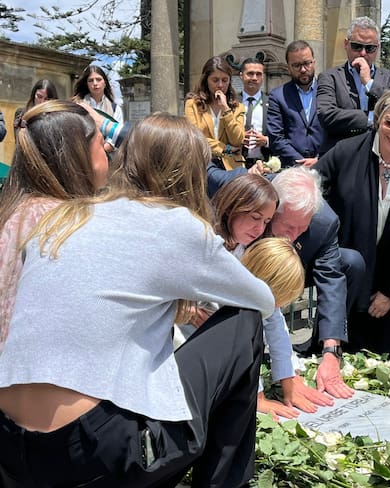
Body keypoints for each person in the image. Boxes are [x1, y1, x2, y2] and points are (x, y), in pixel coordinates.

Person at [0, 113, 276, 487]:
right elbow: (263, 298)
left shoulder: (65, 217)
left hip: (11, 449)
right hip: (89, 452)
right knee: (245, 321)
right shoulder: (177, 226)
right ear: (193, 174)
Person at [207, 165, 359, 399]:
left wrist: (297, 370)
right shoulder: (238, 207)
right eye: (287, 226)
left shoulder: (324, 222)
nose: (292, 236)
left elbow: (275, 313)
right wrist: (254, 395)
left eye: (302, 228)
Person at [315, 83, 390, 355]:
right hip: (343, 287)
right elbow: (308, 193)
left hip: (389, 298)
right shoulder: (345, 152)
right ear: (380, 116)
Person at [0, 100, 107, 354]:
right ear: (80, 156)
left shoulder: (19, 209)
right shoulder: (68, 224)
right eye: (101, 143)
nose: (107, 152)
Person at [316, 16, 390, 155]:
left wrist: (369, 83)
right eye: (357, 46)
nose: (363, 53)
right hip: (340, 156)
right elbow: (326, 115)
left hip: (380, 156)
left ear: (378, 48)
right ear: (346, 44)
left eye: (370, 48)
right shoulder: (329, 77)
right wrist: (373, 118)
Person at [267, 40, 323, 168]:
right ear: (288, 68)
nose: (303, 69)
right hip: (293, 169)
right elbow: (276, 137)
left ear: (314, 62)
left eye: (307, 63)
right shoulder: (278, 96)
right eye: (297, 65)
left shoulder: (329, 91)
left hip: (325, 165)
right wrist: (301, 162)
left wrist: (320, 159)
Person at [185, 55, 246, 170]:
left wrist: (226, 109)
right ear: (206, 80)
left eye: (225, 80)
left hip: (231, 167)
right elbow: (195, 138)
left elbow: (237, 140)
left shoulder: (238, 107)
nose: (220, 85)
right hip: (202, 165)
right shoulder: (192, 104)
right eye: (215, 80)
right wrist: (225, 148)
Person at [72, 65, 123, 152]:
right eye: (91, 80)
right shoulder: (78, 106)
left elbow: (118, 134)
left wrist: (103, 149)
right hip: (82, 152)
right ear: (86, 84)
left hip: (107, 155)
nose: (95, 83)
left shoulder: (115, 108)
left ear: (105, 82)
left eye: (98, 79)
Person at [240, 57, 271, 168]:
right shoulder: (231, 102)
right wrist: (237, 139)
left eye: (258, 74)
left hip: (264, 165)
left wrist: (266, 141)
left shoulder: (272, 103)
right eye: (250, 74)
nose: (254, 78)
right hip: (237, 164)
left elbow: (281, 135)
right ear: (241, 76)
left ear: (263, 78)